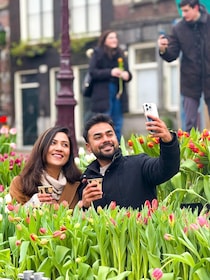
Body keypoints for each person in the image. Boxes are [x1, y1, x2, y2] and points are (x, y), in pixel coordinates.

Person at [78, 114, 180, 210]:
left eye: (109, 134)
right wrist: (85, 205)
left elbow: (168, 168)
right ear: (88, 147)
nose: (106, 140)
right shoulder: (86, 179)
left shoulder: (139, 165)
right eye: (98, 137)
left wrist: (168, 141)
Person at [157, 0, 210, 133]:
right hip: (189, 81)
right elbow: (172, 55)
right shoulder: (178, 28)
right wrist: (163, 49)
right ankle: (190, 152)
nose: (183, 14)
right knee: (190, 122)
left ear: (196, 7)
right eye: (182, 11)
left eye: (186, 11)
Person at [9, 126, 82, 208]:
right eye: (53, 143)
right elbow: (13, 217)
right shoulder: (21, 183)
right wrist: (33, 203)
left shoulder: (78, 183)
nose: (59, 148)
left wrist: (85, 205)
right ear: (42, 147)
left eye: (65, 145)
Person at [87, 29, 132, 142]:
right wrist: (110, 72)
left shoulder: (120, 54)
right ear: (104, 40)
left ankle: (117, 149)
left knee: (117, 123)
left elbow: (128, 72)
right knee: (104, 122)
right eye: (111, 38)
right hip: (103, 94)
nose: (114, 40)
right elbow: (93, 72)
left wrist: (127, 75)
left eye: (115, 37)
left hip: (118, 93)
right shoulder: (98, 53)